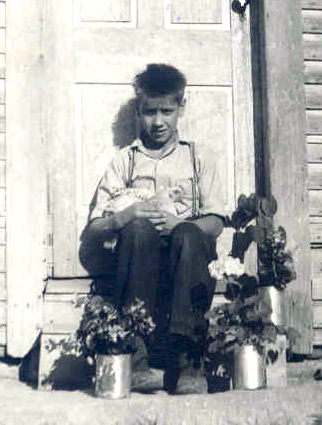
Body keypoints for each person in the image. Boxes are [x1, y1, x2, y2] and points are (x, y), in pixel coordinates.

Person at [79, 63, 227, 394]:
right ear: (138, 111)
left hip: (186, 265)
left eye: (166, 111)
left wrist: (180, 224)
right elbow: (95, 228)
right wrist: (124, 216)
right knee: (138, 230)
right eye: (149, 112)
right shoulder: (126, 161)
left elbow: (216, 222)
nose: (158, 122)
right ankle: (137, 358)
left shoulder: (197, 157)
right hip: (139, 265)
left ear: (181, 108)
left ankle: (188, 361)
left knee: (189, 234)